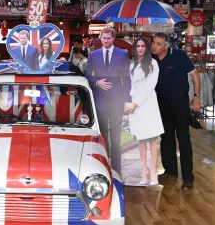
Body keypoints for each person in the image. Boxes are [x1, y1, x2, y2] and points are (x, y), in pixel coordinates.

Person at [150, 33, 201, 190]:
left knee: (183, 139)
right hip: (161, 102)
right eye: (153, 43)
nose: (154, 46)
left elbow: (195, 75)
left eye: (158, 44)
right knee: (166, 138)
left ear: (166, 46)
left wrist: (197, 97)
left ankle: (188, 178)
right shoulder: (151, 59)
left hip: (179, 102)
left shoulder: (179, 55)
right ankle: (170, 171)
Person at [84, 27, 131, 173]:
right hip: (100, 98)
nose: (105, 41)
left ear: (113, 38)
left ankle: (117, 169)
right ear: (100, 38)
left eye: (108, 38)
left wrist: (127, 99)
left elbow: (127, 78)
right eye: (103, 38)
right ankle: (104, 166)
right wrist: (96, 82)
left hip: (117, 99)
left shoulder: (123, 54)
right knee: (102, 135)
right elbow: (86, 72)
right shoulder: (94, 54)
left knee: (116, 135)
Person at [123, 37, 164, 186]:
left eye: (143, 46)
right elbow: (128, 84)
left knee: (152, 138)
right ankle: (143, 170)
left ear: (147, 48)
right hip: (134, 103)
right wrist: (128, 102)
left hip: (148, 103)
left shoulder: (153, 63)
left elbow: (149, 87)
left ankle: (153, 170)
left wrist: (135, 103)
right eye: (138, 46)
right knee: (140, 138)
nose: (140, 48)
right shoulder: (132, 64)